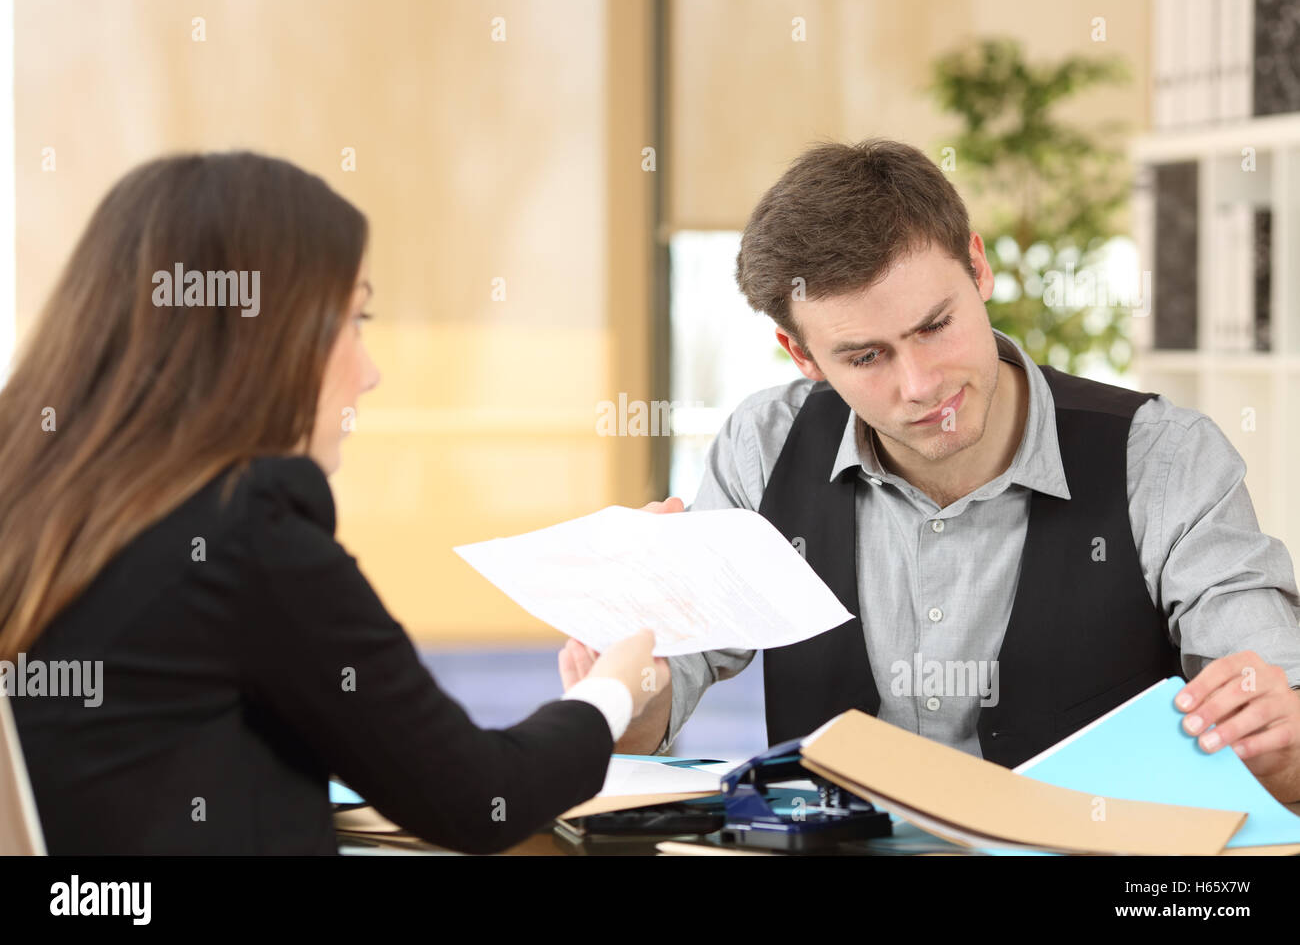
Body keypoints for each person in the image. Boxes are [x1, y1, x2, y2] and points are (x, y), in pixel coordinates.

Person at [561, 138, 1300, 803]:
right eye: (865, 356)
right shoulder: (766, 444)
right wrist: (624, 673)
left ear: (977, 266)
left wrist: (1275, 734)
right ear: (804, 357)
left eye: (934, 326)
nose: (920, 386)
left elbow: (1277, 713)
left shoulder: (1164, 459)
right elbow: (656, 704)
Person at [0, 151, 665, 854]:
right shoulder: (244, 535)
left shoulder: (38, 509)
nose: (370, 373)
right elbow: (479, 798)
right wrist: (615, 688)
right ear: (264, 336)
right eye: (355, 318)